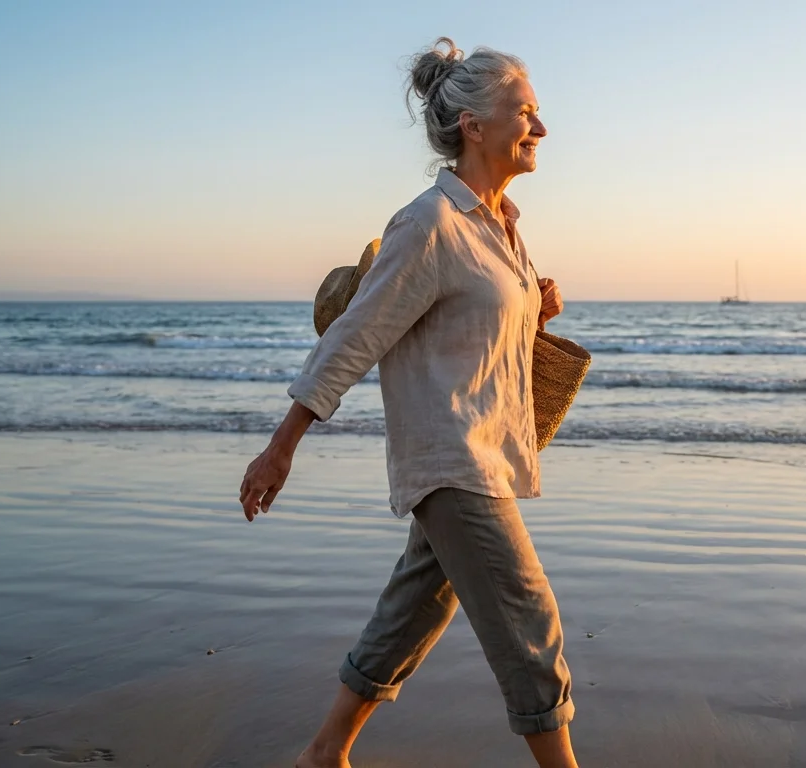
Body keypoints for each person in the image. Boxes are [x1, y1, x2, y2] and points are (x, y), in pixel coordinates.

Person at [238, 37, 579, 768]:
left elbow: (468, 333)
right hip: (451, 458)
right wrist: (281, 446)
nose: (541, 129)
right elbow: (354, 337)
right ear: (474, 128)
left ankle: (325, 753)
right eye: (526, 113)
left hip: (485, 450)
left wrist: (534, 309)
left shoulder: (503, 227)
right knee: (531, 620)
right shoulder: (429, 224)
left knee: (416, 609)